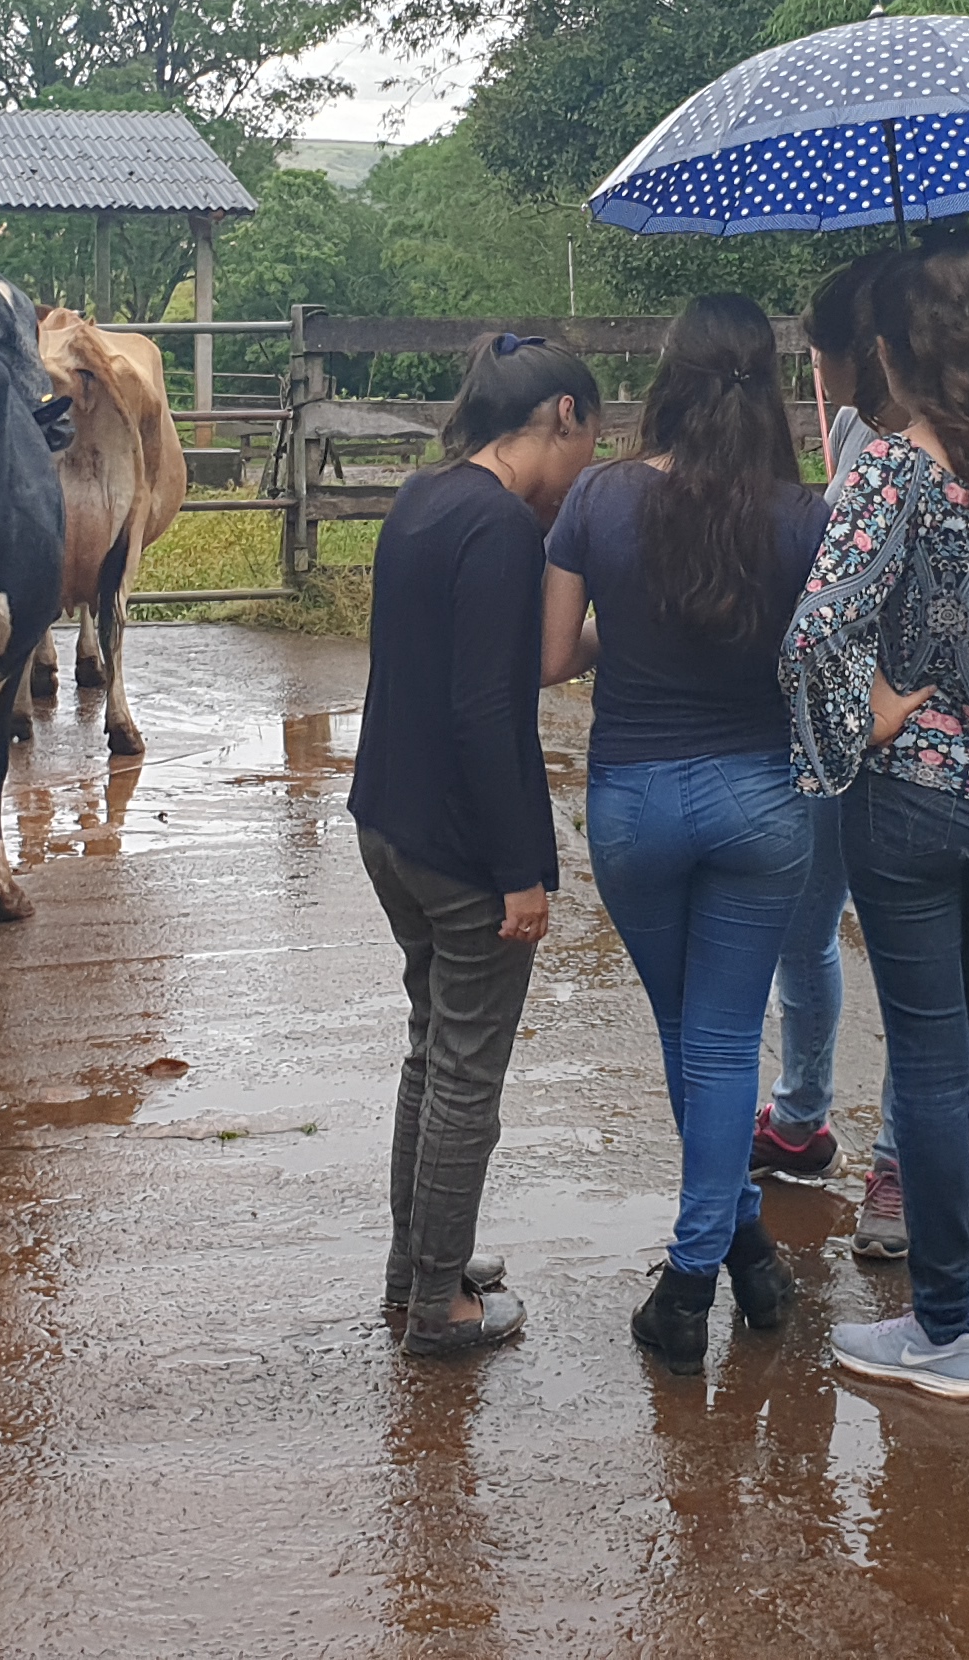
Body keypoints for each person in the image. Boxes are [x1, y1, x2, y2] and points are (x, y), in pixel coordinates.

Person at [780, 246, 969, 1400]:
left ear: (891, 348)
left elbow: (818, 631)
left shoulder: (894, 468)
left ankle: (943, 1329)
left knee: (931, 1058)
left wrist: (861, 724)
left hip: (919, 802)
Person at [542, 295, 832, 1374]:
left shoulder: (600, 497)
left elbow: (552, 656)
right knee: (717, 1043)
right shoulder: (805, 517)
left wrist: (628, 627)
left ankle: (697, 1275)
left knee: (688, 1037)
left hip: (635, 802)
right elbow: (820, 663)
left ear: (669, 377)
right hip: (762, 801)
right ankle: (735, 1254)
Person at [350, 331, 599, 1357]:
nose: (584, 472)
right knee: (465, 1076)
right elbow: (486, 715)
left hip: (390, 825)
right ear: (564, 417)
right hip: (461, 850)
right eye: (592, 442)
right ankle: (439, 1310)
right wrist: (521, 875)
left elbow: (476, 667)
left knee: (431, 1052)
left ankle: (420, 1266)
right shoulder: (500, 528)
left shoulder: (423, 498)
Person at [752, 247, 908, 1262]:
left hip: (906, 730)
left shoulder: (955, 452)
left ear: (870, 349)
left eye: (823, 348)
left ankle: (898, 1160)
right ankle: (801, 1114)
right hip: (834, 724)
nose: (813, 365)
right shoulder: (854, 429)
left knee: (905, 953)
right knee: (803, 927)